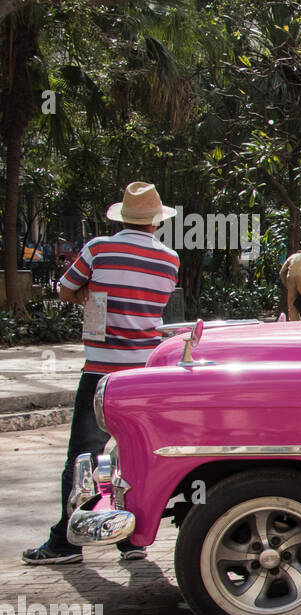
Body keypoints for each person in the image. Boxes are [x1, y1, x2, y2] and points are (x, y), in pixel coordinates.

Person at [24, 182, 180, 565]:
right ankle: (133, 540)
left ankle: (66, 541)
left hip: (101, 371)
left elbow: (65, 289)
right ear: (155, 222)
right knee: (135, 455)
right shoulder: (169, 259)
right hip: (144, 372)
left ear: (123, 217)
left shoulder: (98, 249)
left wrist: (91, 293)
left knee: (84, 456)